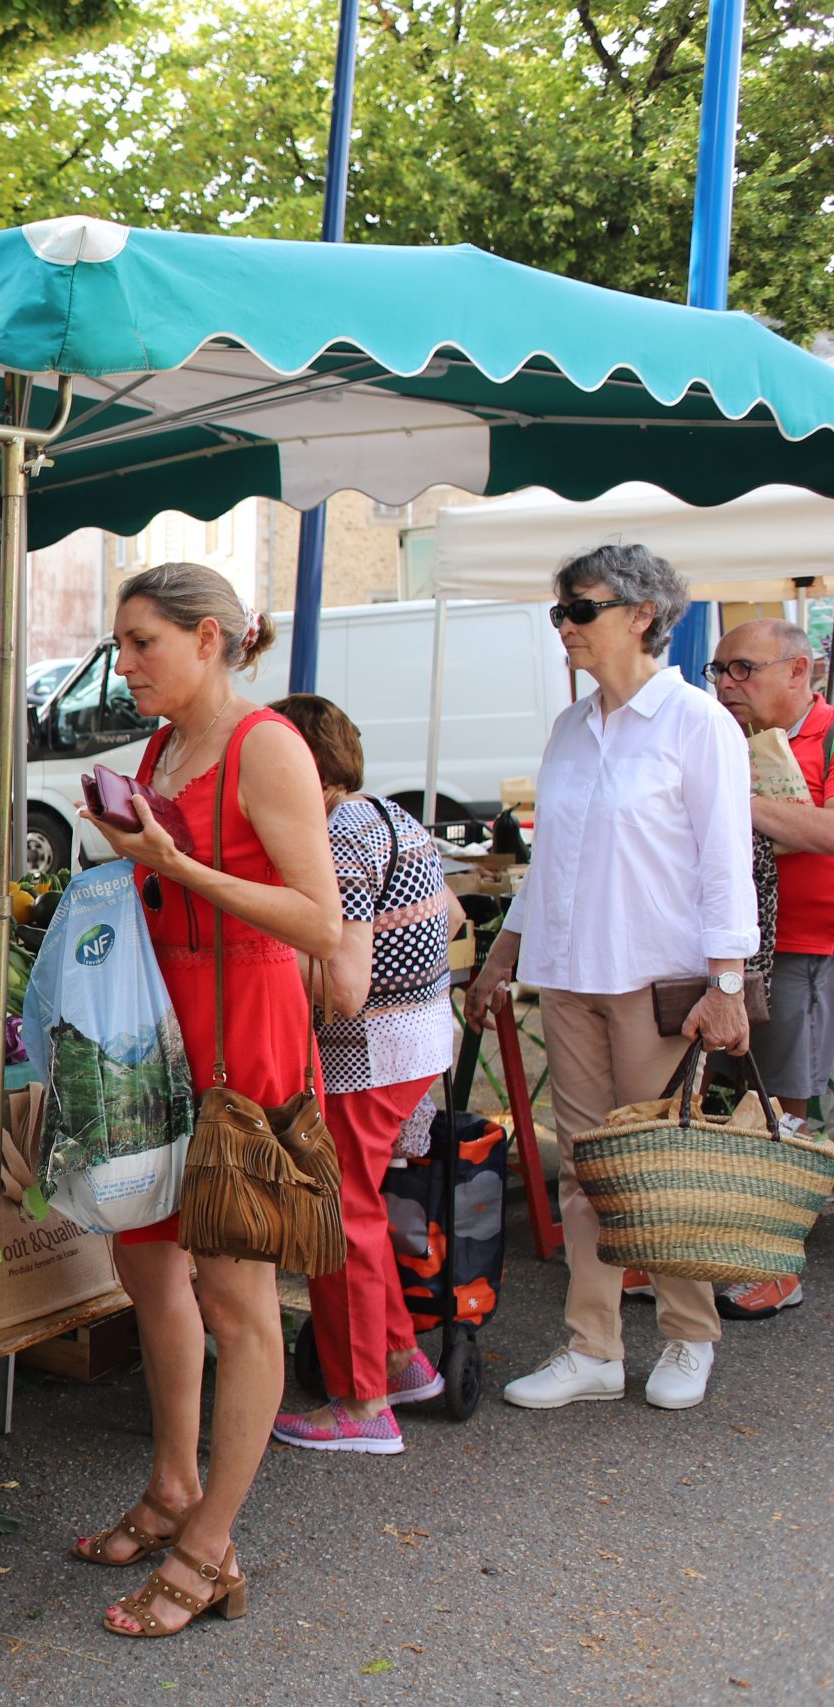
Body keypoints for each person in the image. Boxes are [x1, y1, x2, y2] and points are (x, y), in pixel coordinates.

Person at [70, 563, 343, 1639]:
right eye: (122, 643)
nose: (124, 663)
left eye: (142, 643)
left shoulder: (264, 744)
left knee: (238, 1301)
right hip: (156, 1030)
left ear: (212, 640)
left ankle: (206, 1545)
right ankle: (173, 1482)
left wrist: (174, 866)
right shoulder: (161, 745)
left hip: (243, 1038)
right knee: (146, 1269)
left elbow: (318, 922)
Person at [468, 545, 755, 1413]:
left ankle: (687, 1332)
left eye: (579, 609)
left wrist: (728, 982)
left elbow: (724, 862)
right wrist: (502, 953)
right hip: (568, 971)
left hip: (654, 974)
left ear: (642, 614)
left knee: (660, 1165)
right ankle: (593, 1343)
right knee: (584, 1169)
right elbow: (550, 858)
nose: (564, 626)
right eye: (558, 610)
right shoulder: (571, 725)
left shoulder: (697, 721)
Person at [265, 695, 461, 1455]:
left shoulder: (338, 835)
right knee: (362, 1206)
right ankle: (402, 1360)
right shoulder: (387, 813)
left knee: (336, 1214)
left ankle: (361, 1401)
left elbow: (341, 985)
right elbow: (446, 917)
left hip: (372, 1047)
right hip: (413, 1041)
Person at [696, 616, 830, 1318]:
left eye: (742, 669)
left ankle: (776, 1264)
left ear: (798, 670)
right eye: (718, 671)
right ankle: (697, 1248)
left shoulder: (830, 734)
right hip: (726, 945)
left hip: (808, 944)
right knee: (720, 1098)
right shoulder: (718, 735)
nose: (725, 684)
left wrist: (737, 804)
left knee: (783, 1103)